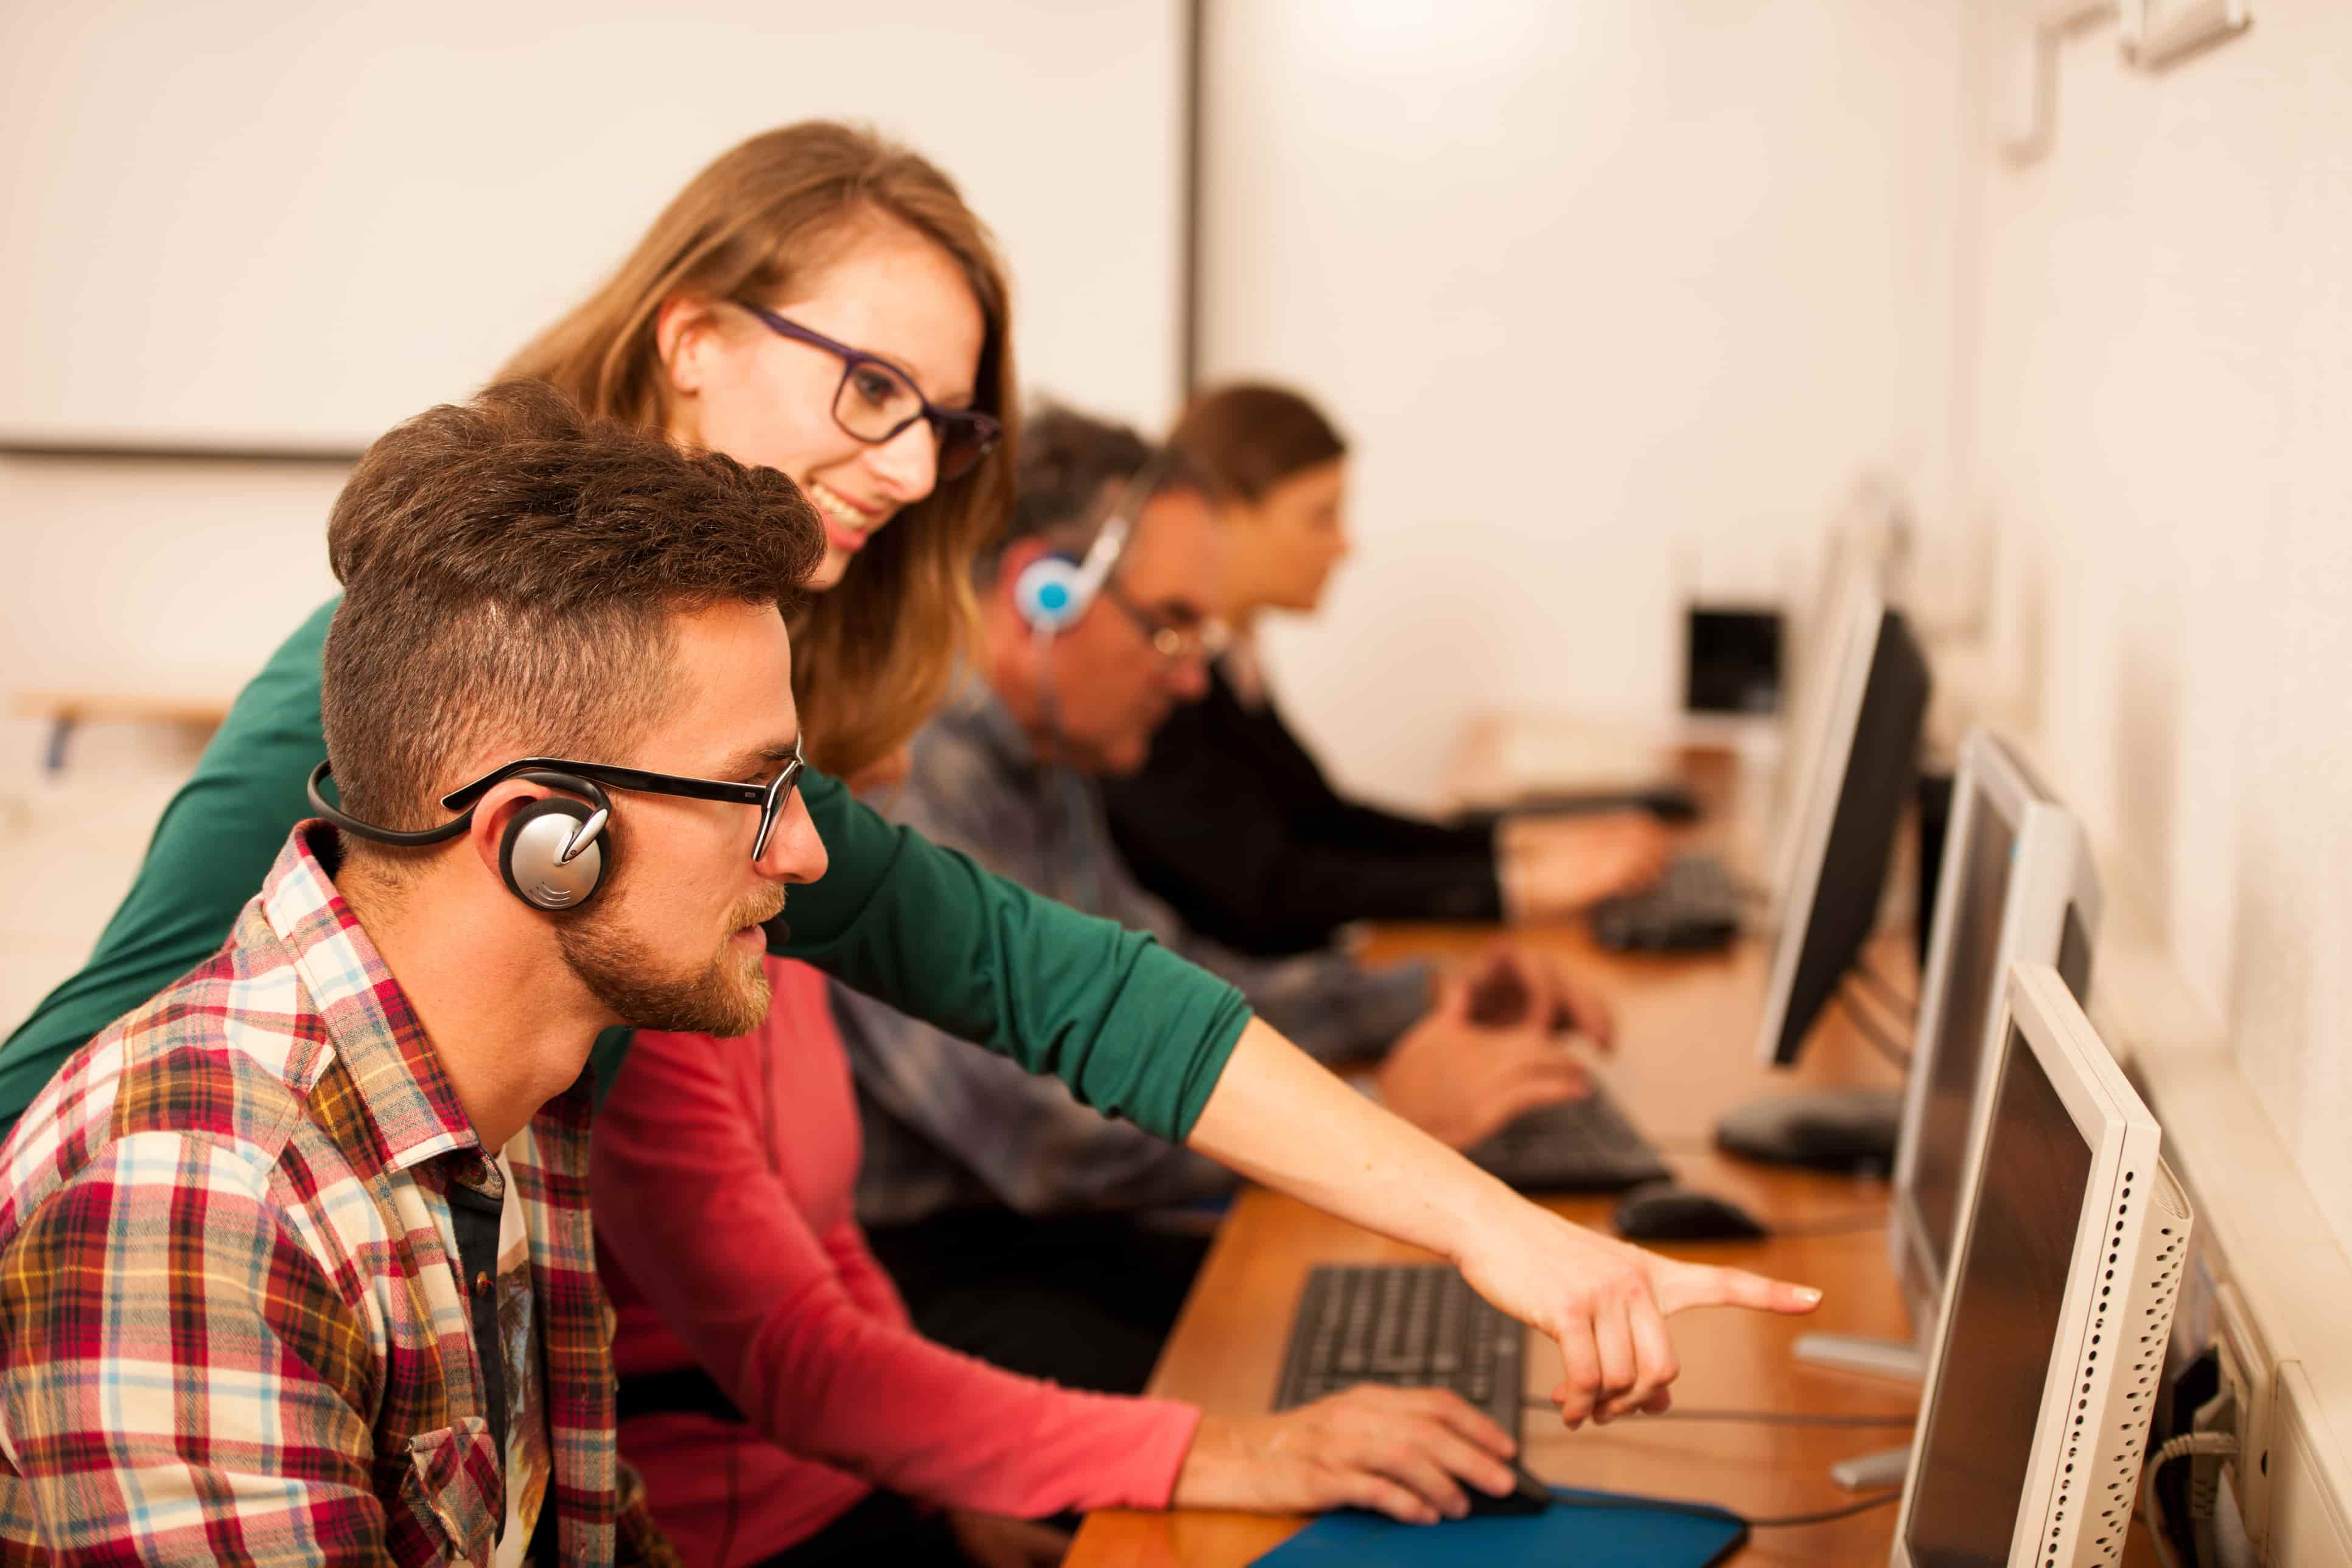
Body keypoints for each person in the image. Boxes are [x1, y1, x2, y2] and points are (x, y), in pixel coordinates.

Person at [0, 120, 1816, 1553]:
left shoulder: (569, 1047)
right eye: (869, 389)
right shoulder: (406, 700)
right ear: (693, 344)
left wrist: (1500, 1230)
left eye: (944, 426)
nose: (907, 466)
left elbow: (1051, 983)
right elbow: (85, 1113)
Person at [592, 409, 1595, 1566]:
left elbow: (1149, 986)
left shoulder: (971, 797)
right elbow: (1018, 1169)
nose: (1185, 677)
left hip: (871, 1419)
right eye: (1167, 630)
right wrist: (1380, 1141)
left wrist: (1407, 1015)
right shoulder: (737, 925)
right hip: (907, 1342)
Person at [0, 382, 834, 1564]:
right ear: (547, 843)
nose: (803, 850)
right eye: (757, 792)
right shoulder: (209, 1198)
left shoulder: (509, 1091)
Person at [833, 407, 1616, 1395]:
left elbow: (1172, 987)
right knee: (1340, 1392)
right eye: (1166, 625)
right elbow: (1046, 1143)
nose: (1192, 676)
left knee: (1420, 1351)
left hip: (1053, 1242)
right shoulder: (906, 785)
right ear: (1044, 592)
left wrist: (1413, 995)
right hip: (938, 1283)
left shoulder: (1046, 759)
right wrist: (1386, 1116)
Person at [1097, 381, 1676, 959]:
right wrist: (1519, 884)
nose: (1344, 545)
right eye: (1320, 517)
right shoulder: (1155, 680)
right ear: (1221, 513)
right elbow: (1268, 886)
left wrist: (1520, 846)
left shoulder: (1229, 662)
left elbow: (1324, 820)